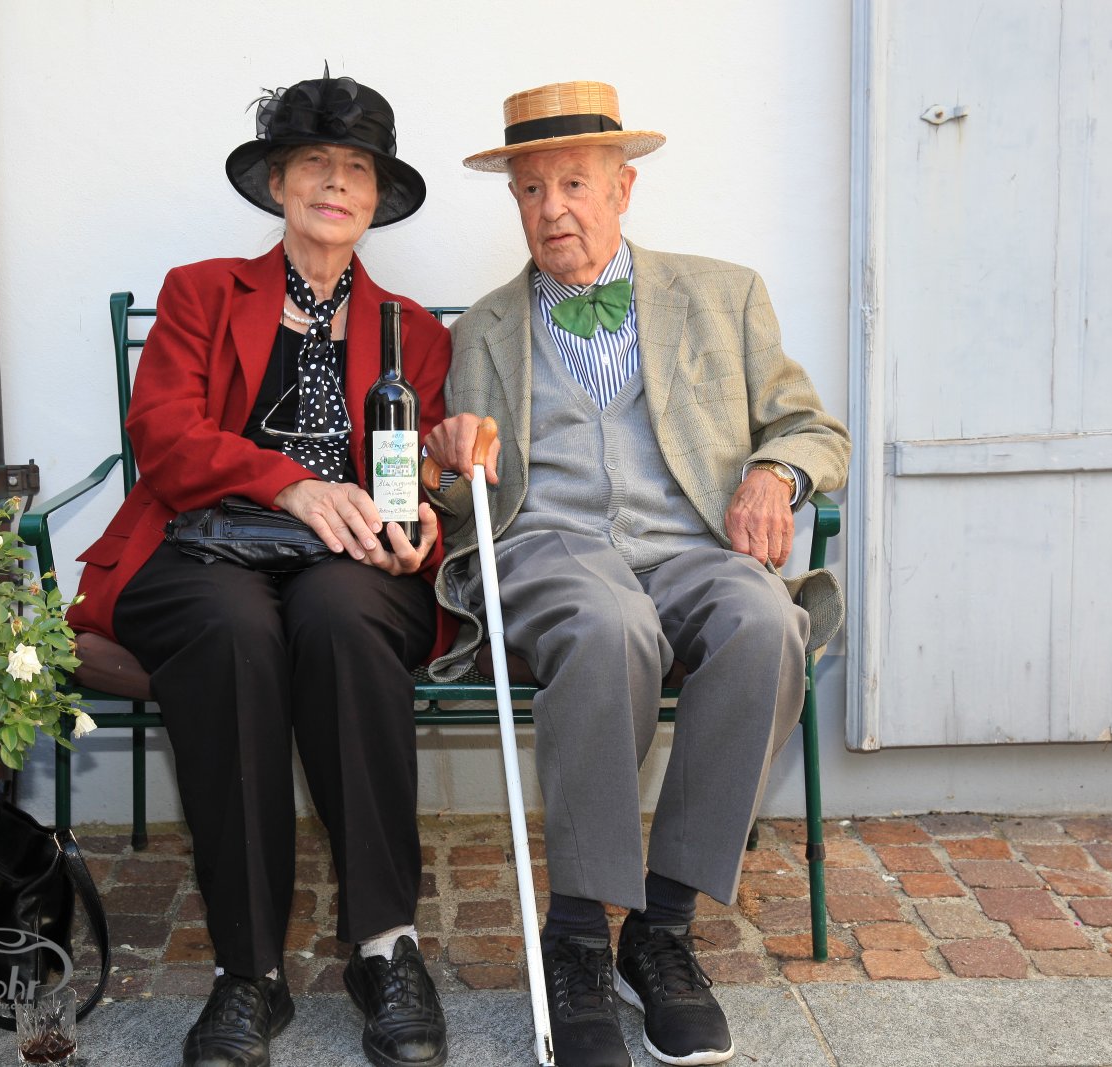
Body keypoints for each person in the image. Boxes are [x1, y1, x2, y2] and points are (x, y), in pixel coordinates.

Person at [423, 81, 851, 1067]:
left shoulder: (724, 294)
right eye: (531, 190)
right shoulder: (481, 329)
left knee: (764, 622)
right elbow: (463, 496)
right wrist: (449, 466)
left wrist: (774, 474)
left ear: (623, 189)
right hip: (551, 547)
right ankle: (575, 933)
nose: (552, 209)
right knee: (607, 622)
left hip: (690, 544)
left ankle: (660, 930)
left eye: (574, 184)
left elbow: (810, 427)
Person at [66, 70, 451, 1067]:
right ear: (277, 184)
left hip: (349, 562)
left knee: (342, 619)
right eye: (314, 163)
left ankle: (385, 947)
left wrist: (422, 523)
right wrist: (289, 485)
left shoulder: (413, 330)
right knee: (234, 633)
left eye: (356, 168)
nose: (335, 183)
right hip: (204, 543)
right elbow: (163, 433)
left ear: (377, 197)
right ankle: (249, 970)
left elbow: (424, 473)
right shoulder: (201, 292)